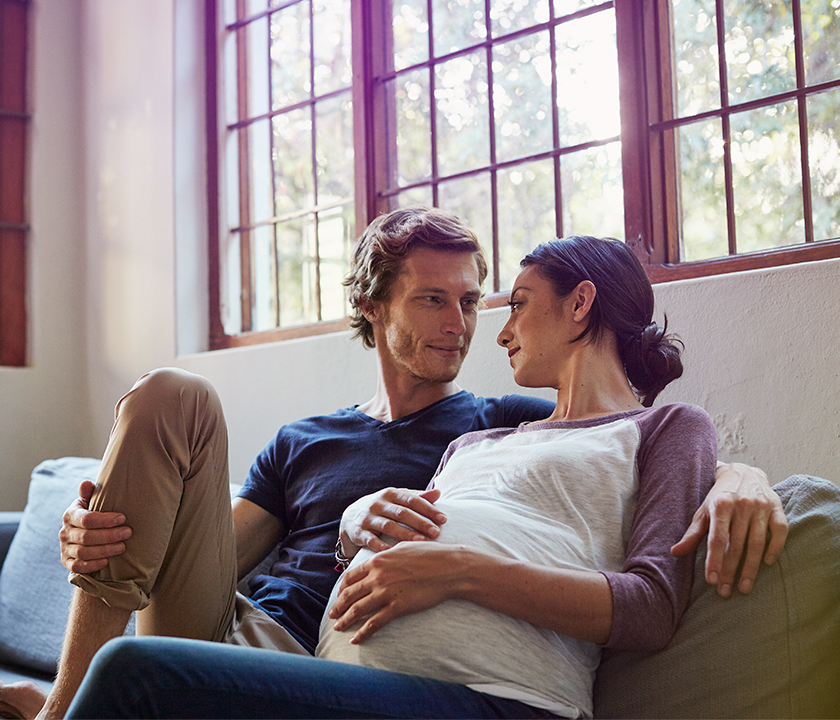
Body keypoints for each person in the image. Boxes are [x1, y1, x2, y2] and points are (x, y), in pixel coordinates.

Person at [0, 209, 786, 720]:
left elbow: (627, 441)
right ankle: (65, 700)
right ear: (374, 307)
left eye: (479, 301)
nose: (470, 325)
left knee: (142, 675)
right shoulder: (317, 440)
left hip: (333, 659)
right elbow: (201, 560)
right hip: (238, 627)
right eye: (433, 300)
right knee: (171, 393)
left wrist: (738, 476)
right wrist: (100, 531)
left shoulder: (493, 420)